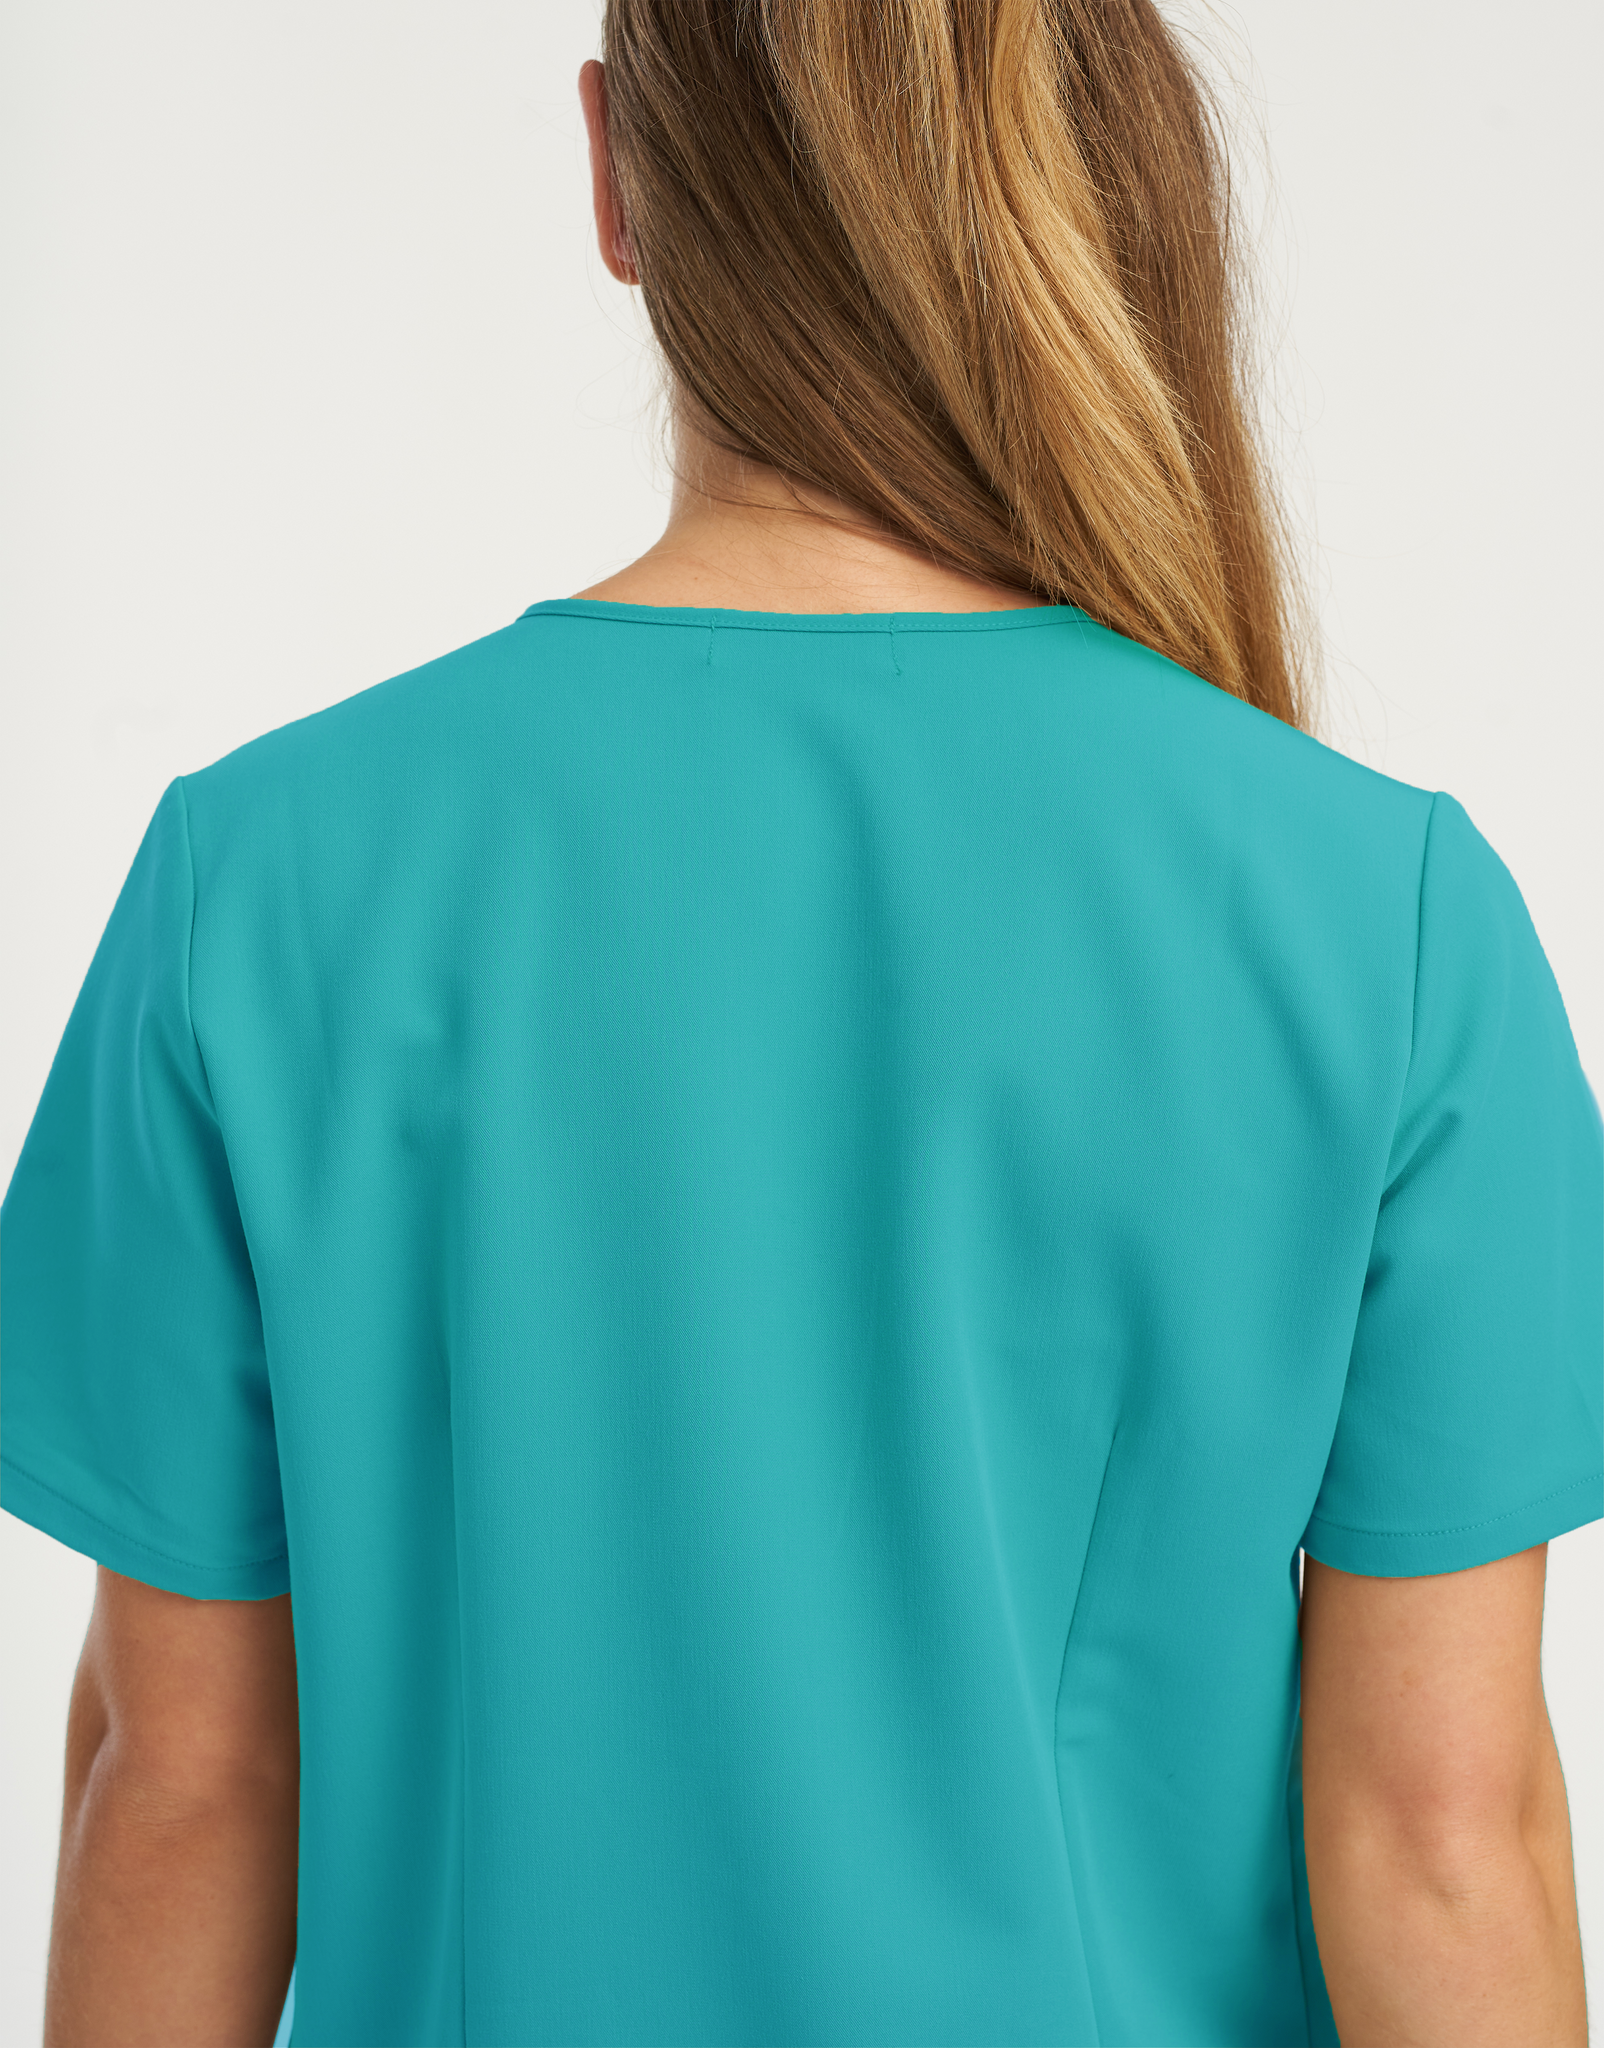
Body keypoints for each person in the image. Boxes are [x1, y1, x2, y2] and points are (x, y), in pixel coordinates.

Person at [3, 1, 1599, 2043]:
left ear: (616, 173)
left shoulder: (261, 879)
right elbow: (1440, 1837)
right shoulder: (1387, 913)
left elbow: (184, 1786)